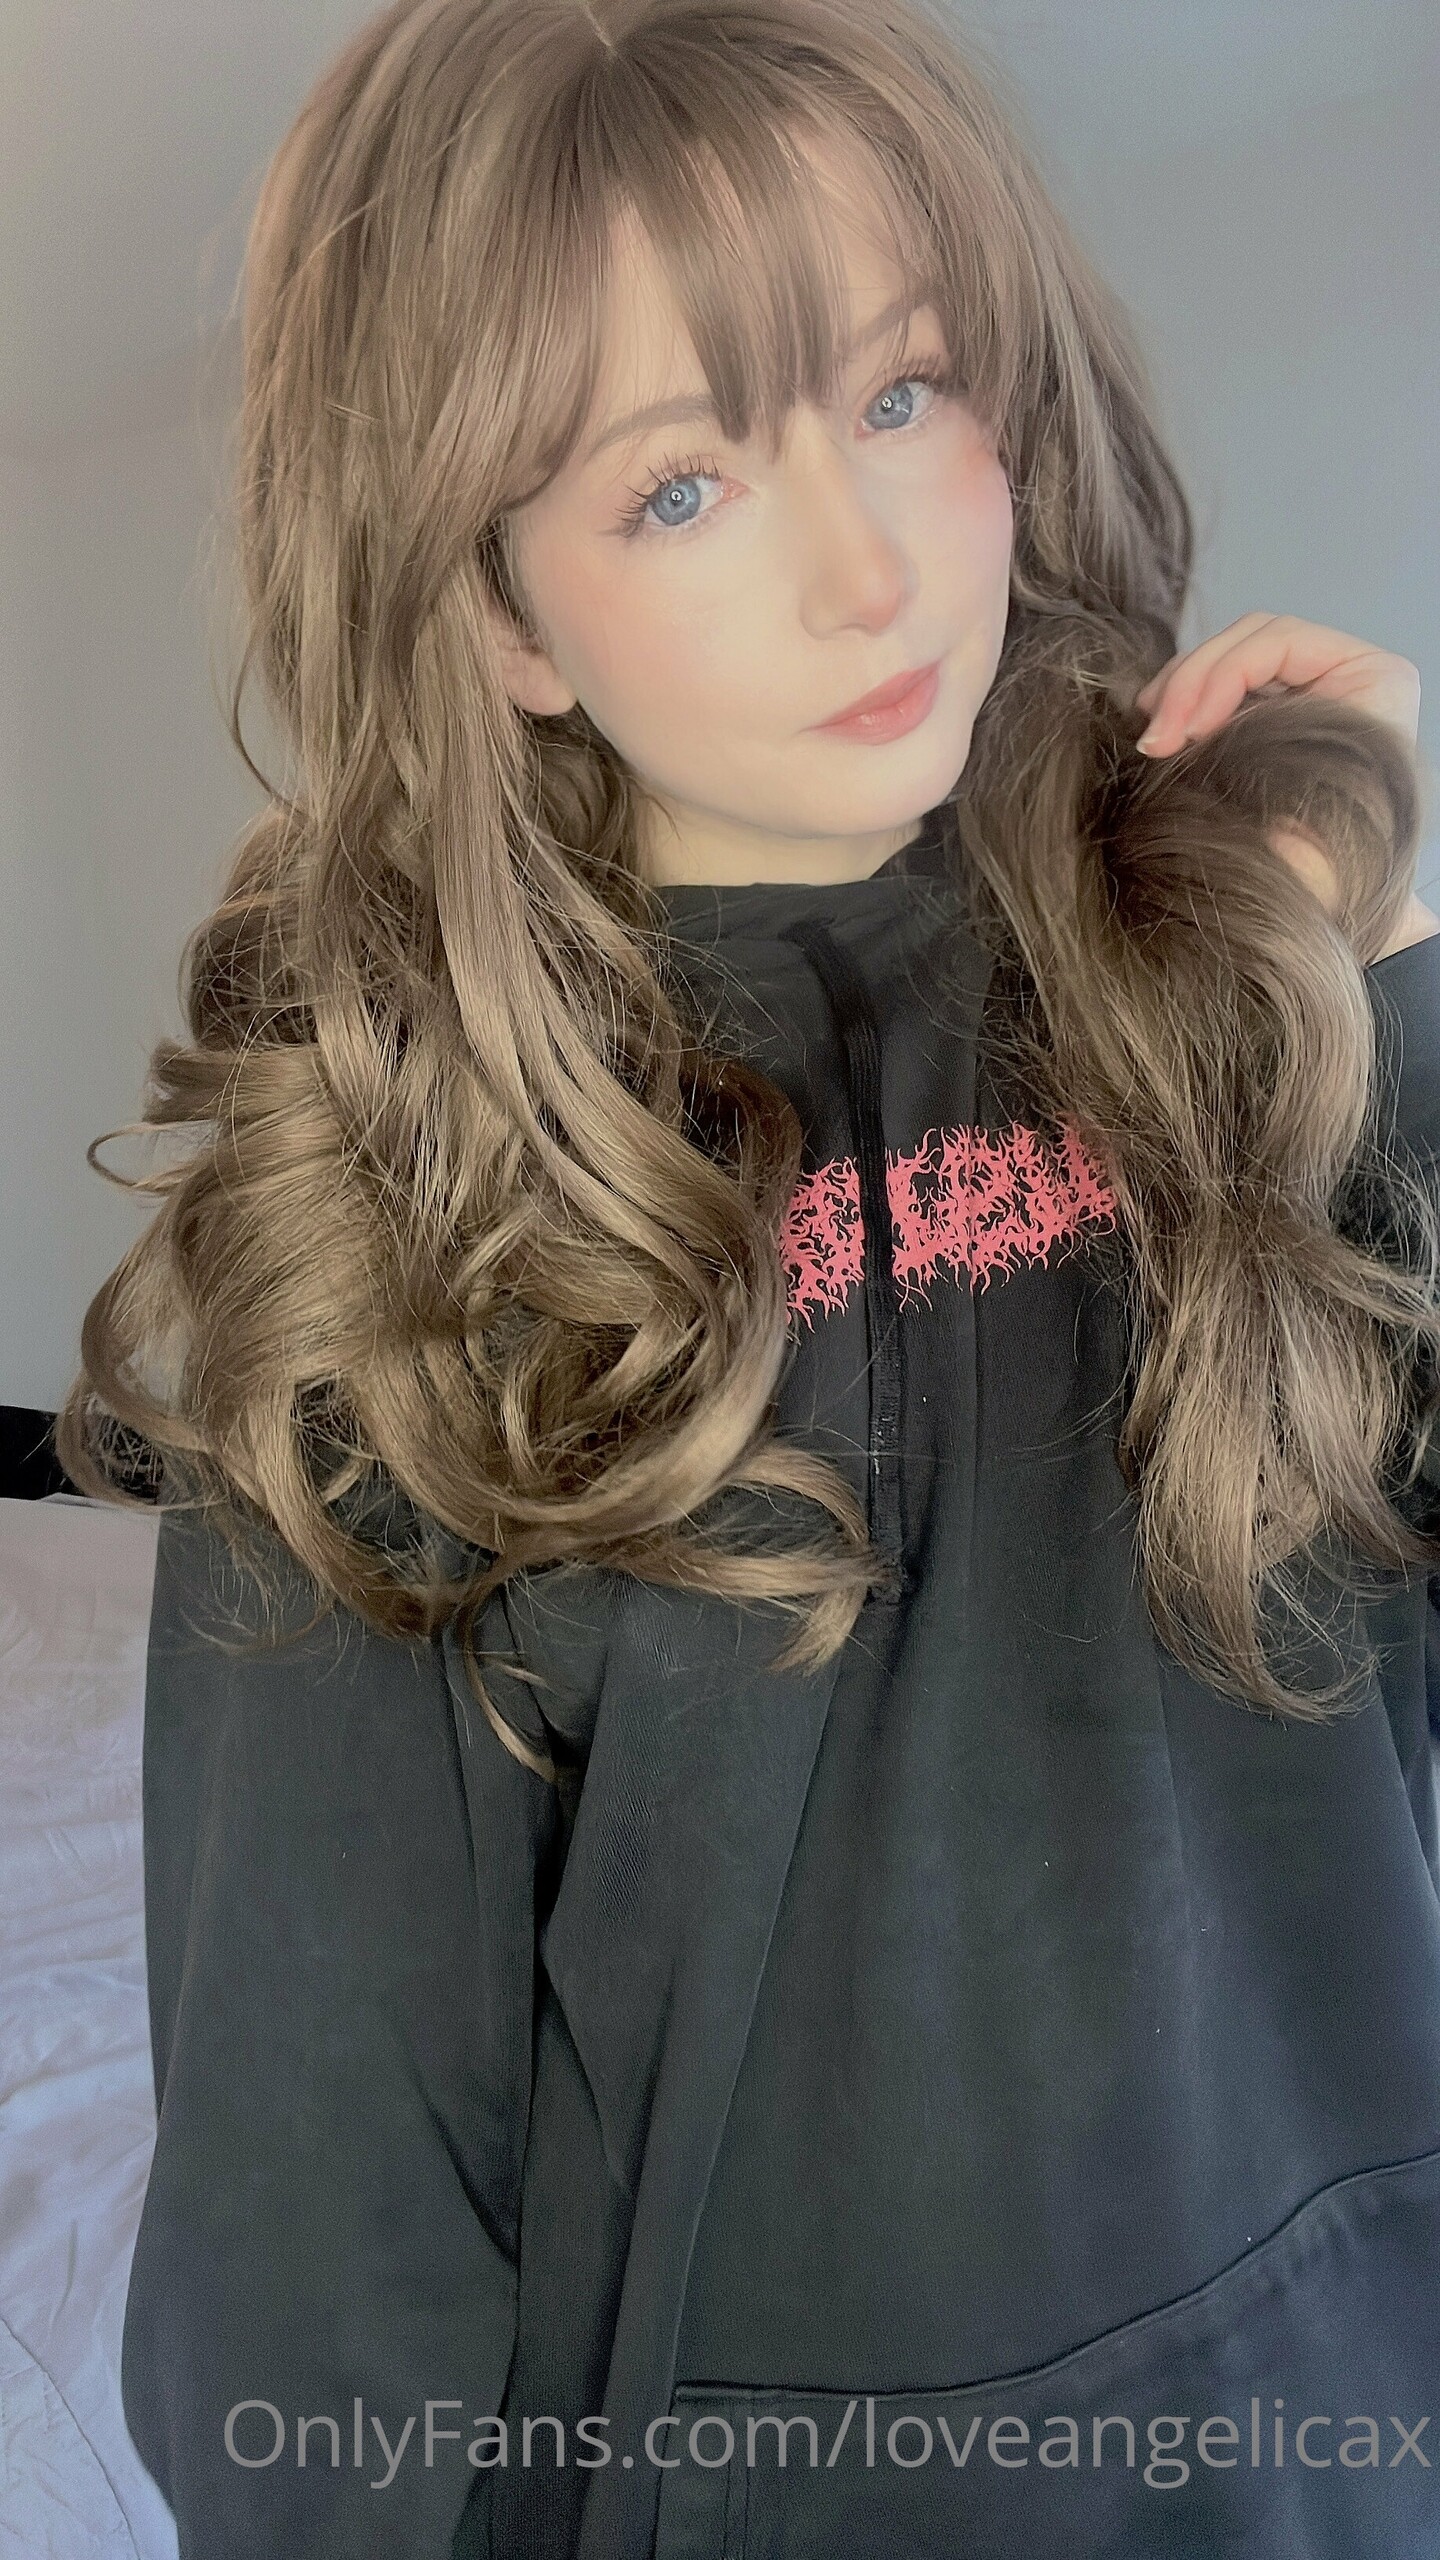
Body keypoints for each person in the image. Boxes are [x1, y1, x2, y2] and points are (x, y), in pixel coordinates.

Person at [55, 0, 1440, 2551]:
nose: (866, 564)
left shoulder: (1219, 1000)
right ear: (504, 617)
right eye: (679, 485)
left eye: (905, 393)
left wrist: (1381, 983)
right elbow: (320, 2211)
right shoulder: (404, 1224)